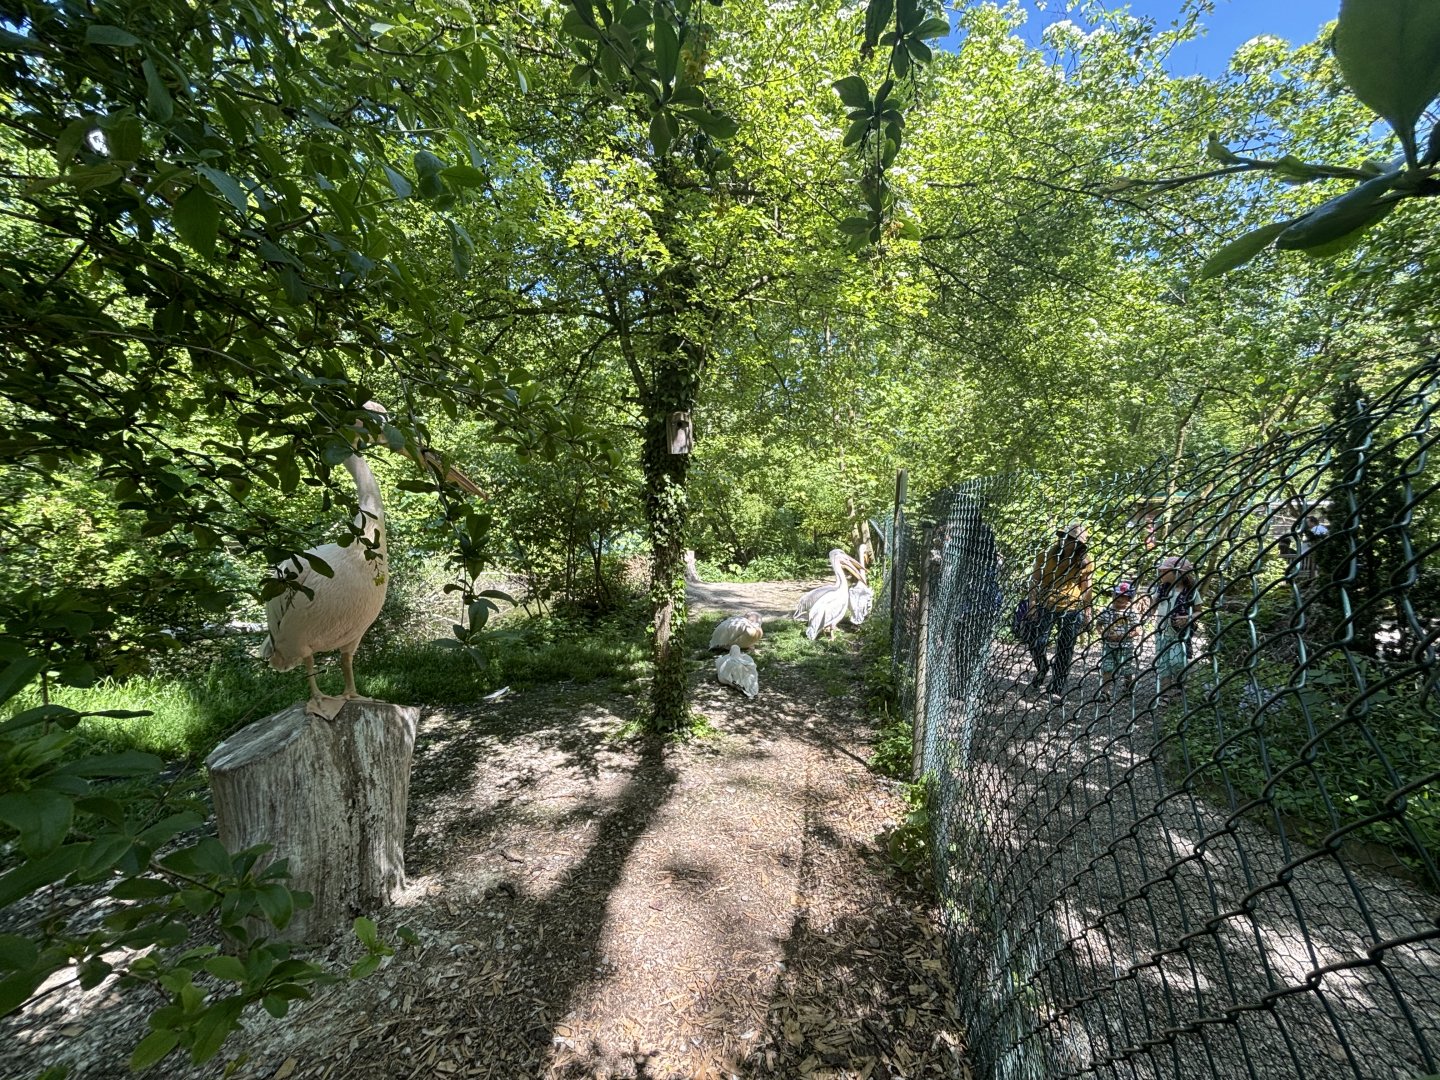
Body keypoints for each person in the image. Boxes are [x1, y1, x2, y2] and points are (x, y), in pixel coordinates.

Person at [1024, 522, 1095, 698]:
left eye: (1072, 539)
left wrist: (1087, 612)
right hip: (1046, 603)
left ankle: (1056, 687)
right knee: (1037, 641)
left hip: (1072, 607)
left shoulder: (1085, 561)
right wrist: (1032, 604)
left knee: (1065, 648)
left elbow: (1086, 588)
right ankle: (1042, 668)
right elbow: (1034, 580)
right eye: (1065, 537)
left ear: (1080, 544)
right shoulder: (1046, 556)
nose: (1067, 541)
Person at [1149, 555, 1201, 695]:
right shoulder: (1161, 589)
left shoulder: (1191, 592)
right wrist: (1148, 612)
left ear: (1178, 573)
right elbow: (1152, 607)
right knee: (1163, 663)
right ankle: (1165, 692)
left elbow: (1199, 611)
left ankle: (1180, 683)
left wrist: (1188, 618)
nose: (1160, 573)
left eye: (1164, 571)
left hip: (1179, 634)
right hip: (1161, 632)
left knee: (1177, 662)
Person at [1095, 581, 1141, 696]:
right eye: (1117, 595)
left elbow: (1138, 630)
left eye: (1123, 596)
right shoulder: (1107, 611)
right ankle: (1105, 691)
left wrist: (1124, 636)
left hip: (1125, 646)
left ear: (1129, 599)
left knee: (1126, 668)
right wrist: (1103, 634)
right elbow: (1098, 624)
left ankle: (1128, 686)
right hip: (1109, 646)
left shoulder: (1131, 613)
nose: (1119, 598)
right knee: (1107, 667)